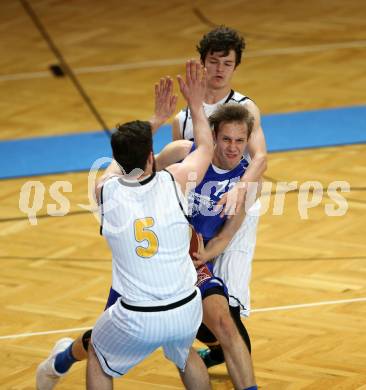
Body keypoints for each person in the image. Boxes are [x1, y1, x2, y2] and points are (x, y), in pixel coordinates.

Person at [36, 61, 213, 390]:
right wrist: (196, 105)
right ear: (151, 156)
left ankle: (59, 364)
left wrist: (155, 120)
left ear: (116, 157)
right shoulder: (176, 181)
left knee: (101, 363)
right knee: (186, 355)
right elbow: (205, 147)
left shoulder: (105, 189)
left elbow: (120, 163)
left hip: (136, 316)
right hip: (187, 307)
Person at [172, 25, 267, 368]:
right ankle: (219, 348)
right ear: (202, 63)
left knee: (231, 299)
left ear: (235, 66)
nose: (220, 69)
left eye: (227, 63)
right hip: (198, 218)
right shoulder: (184, 117)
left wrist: (240, 188)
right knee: (196, 292)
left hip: (236, 214)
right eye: (214, 61)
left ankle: (239, 363)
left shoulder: (245, 107)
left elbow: (260, 158)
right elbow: (180, 167)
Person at [157, 103, 259, 390]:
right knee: (180, 340)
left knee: (226, 324)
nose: (233, 147)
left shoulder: (247, 180)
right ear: (213, 135)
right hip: (159, 261)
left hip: (197, 262)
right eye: (226, 139)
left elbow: (226, 236)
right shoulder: (182, 152)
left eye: (240, 140)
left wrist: (204, 255)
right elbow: (144, 176)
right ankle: (64, 359)